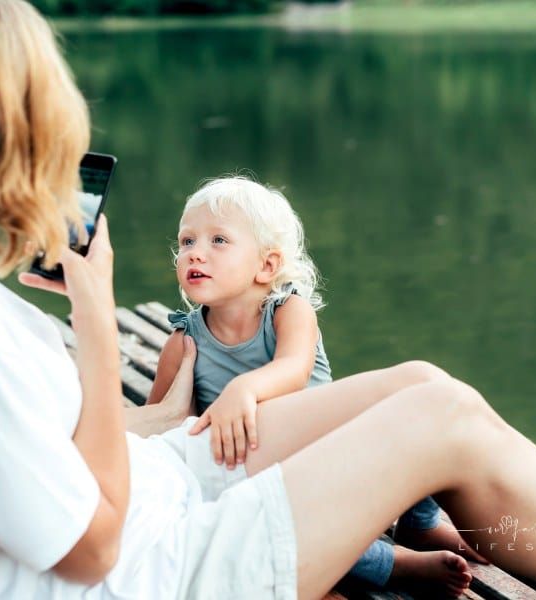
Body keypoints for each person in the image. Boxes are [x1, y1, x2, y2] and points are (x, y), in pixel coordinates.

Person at [0, 0, 536, 598]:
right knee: (442, 425)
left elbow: (15, 449)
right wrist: (94, 315)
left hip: (158, 494)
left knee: (422, 383)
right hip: (159, 569)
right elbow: (91, 550)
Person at [145, 176, 480, 595]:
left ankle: (421, 523)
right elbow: (158, 422)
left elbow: (294, 369)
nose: (196, 252)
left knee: (421, 409)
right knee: (289, 533)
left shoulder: (287, 311)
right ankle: (393, 565)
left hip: (334, 457)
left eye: (218, 241)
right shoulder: (183, 341)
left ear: (266, 265)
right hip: (257, 481)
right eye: (187, 240)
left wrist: (243, 389)